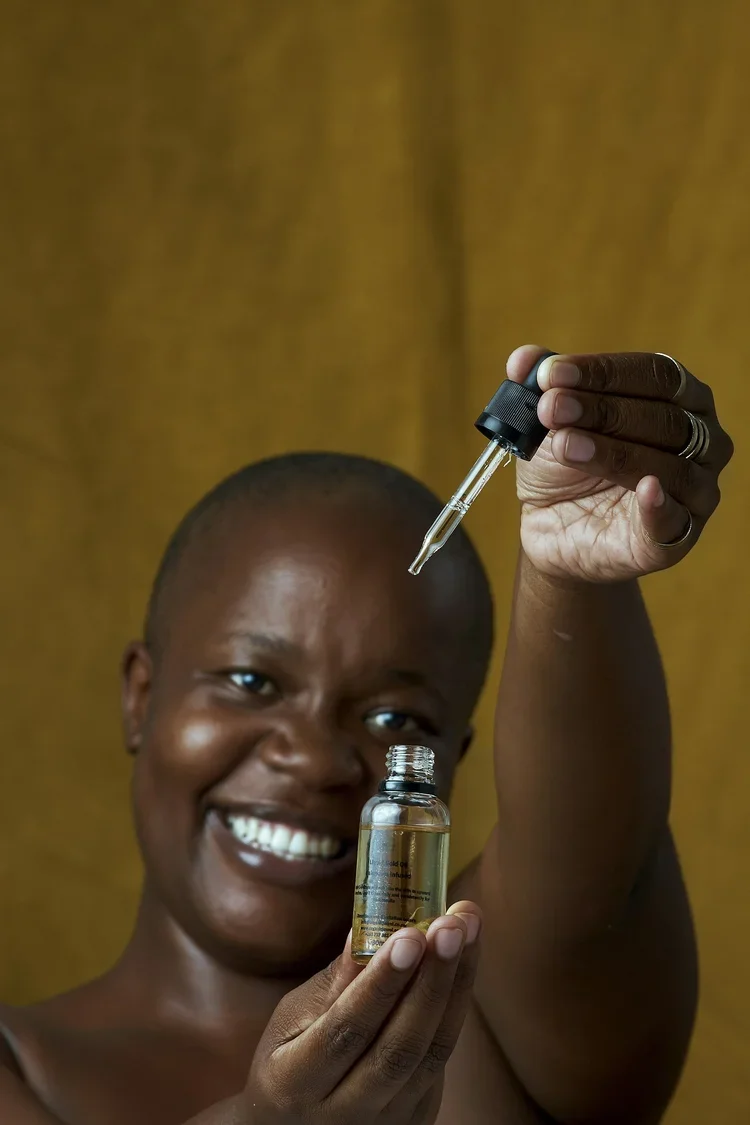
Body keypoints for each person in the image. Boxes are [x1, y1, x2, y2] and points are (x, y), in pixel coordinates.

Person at [0, 346, 733, 1125]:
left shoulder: (478, 997)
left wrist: (571, 577)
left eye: (395, 720)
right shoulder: (24, 1073)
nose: (315, 758)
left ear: (452, 759)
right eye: (252, 682)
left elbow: (597, 854)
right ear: (141, 697)